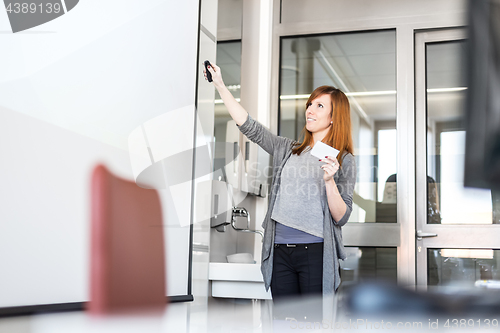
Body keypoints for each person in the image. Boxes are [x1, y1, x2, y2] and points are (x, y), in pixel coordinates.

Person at [204, 62, 356, 300]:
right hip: (279, 251)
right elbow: (250, 127)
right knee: (283, 322)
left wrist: (329, 181)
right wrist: (221, 86)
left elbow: (341, 217)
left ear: (334, 117)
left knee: (311, 323)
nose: (310, 110)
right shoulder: (288, 149)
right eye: (309, 104)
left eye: (319, 105)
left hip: (315, 252)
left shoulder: (343, 160)